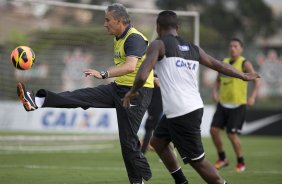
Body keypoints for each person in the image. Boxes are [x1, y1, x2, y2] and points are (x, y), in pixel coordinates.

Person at [17, 3, 154, 184]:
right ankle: (36, 101)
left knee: (127, 143)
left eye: (107, 20)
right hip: (119, 88)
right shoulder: (119, 37)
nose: (104, 24)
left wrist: (104, 74)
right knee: (80, 96)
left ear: (119, 20)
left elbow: (130, 66)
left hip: (136, 93)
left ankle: (140, 178)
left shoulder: (134, 38)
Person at [123, 10, 259, 184]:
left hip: (182, 112)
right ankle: (181, 181)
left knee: (198, 161)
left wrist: (132, 92)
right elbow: (218, 64)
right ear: (177, 28)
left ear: (158, 27)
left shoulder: (158, 45)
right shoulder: (194, 49)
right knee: (157, 142)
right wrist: (243, 75)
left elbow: (142, 75)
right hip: (187, 108)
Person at [210, 38, 260, 172]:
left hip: (238, 105)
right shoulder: (224, 63)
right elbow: (217, 80)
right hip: (223, 104)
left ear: (241, 49)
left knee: (232, 134)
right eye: (231, 46)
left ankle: (241, 162)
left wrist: (253, 96)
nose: (233, 48)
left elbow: (256, 80)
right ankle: (222, 158)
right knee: (213, 130)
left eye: (236, 46)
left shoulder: (244, 63)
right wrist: (215, 92)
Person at [141, 76, 163, 154]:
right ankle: (143, 150)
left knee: (149, 128)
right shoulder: (158, 82)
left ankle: (142, 151)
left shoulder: (155, 82)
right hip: (156, 109)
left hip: (155, 110)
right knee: (157, 130)